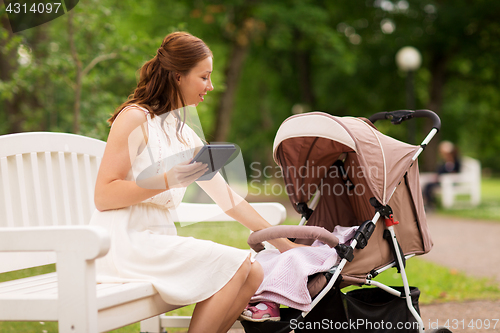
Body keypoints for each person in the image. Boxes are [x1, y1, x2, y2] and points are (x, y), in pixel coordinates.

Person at [89, 31, 298, 333]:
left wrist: (285, 245)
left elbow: (230, 201)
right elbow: (104, 195)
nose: (210, 87)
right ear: (177, 76)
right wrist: (167, 179)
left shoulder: (184, 132)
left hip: (156, 241)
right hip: (123, 242)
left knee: (252, 274)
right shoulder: (134, 118)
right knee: (237, 265)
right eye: (204, 77)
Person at [423, 140, 461, 209]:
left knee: (428, 186)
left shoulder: (456, 162)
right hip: (441, 181)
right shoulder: (443, 162)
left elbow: (455, 172)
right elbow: (439, 172)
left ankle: (430, 204)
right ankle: (429, 203)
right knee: (427, 186)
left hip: (450, 181)